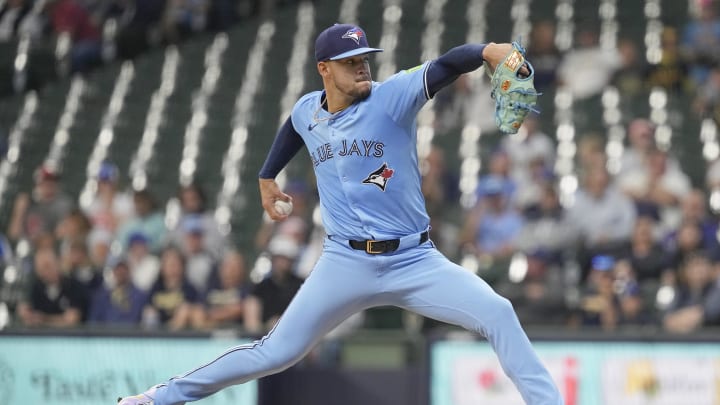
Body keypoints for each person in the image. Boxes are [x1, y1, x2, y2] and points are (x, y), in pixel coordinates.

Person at [119, 23, 562, 405]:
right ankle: (159, 398)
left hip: (414, 260)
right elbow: (294, 127)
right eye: (350, 61)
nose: (362, 66)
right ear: (324, 69)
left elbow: (446, 65)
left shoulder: (392, 98)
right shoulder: (308, 109)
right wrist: (266, 175)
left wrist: (487, 51)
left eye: (365, 57)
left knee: (498, 311)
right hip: (344, 262)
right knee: (275, 352)